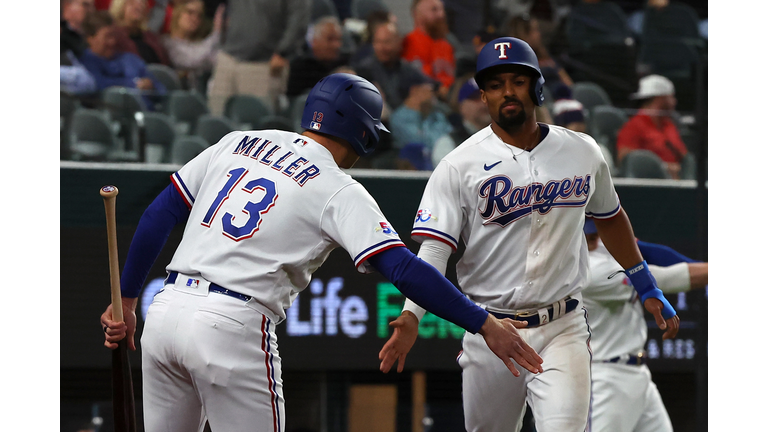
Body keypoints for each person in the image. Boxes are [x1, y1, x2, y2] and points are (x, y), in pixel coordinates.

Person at [100, 73, 545, 432]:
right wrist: (482, 322)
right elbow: (404, 270)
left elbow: (159, 213)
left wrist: (128, 298)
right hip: (230, 326)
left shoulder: (237, 141)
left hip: (166, 310)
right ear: (364, 133)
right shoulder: (338, 186)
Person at [377, 37, 679, 432]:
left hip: (563, 325)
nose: (507, 92)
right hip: (490, 329)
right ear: (483, 95)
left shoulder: (583, 151)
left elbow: (610, 216)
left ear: (536, 86)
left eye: (517, 81)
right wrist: (410, 314)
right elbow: (435, 251)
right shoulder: (458, 165)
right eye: (496, 84)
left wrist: (644, 281)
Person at [582, 218, 707, 432]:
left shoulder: (603, 246)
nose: (595, 238)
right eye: (588, 234)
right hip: (605, 378)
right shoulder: (587, 271)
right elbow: (664, 278)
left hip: (638, 375)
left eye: (596, 232)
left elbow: (651, 252)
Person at [206, 0, 310, 116]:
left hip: (264, 64)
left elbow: (299, 20)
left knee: (257, 125)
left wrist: (283, 53)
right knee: (216, 117)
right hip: (227, 57)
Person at [79, 10, 167, 110]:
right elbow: (98, 85)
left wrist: (151, 86)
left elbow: (161, 90)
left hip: (148, 116)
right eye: (107, 36)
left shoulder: (130, 60)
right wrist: (134, 84)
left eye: (114, 36)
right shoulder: (85, 64)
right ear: (90, 39)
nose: (112, 42)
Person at [615, 74, 689, 179]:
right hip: (652, 185)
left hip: (679, 182)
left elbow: (684, 155)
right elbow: (626, 161)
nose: (674, 102)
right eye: (671, 97)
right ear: (659, 99)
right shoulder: (633, 126)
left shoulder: (669, 125)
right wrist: (664, 168)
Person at [354, 20, 428, 110]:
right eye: (378, 42)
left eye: (387, 42)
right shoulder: (364, 71)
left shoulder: (406, 68)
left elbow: (429, 84)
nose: (382, 48)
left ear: (399, 43)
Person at [162, 0, 225, 91]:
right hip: (178, 95)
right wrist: (216, 32)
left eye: (199, 15)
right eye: (190, 12)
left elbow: (218, 61)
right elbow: (192, 60)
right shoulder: (166, 42)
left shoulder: (199, 44)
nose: (195, 18)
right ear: (178, 12)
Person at [503, 14, 573, 93]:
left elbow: (569, 84)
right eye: (535, 30)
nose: (539, 34)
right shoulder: (513, 63)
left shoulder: (546, 57)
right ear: (524, 34)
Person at [401, 0, 456, 99]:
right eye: (434, 10)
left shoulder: (447, 45)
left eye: (442, 9)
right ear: (417, 15)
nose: (441, 15)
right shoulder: (408, 42)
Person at [389, 72, 454, 154]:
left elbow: (452, 137)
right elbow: (420, 142)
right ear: (415, 90)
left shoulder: (437, 114)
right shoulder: (399, 118)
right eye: (431, 89)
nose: (433, 93)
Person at [285, 16, 349, 98]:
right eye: (330, 39)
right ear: (314, 41)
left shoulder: (345, 63)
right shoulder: (300, 68)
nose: (337, 45)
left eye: (339, 39)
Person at [436, 77, 490, 166]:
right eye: (475, 98)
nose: (483, 103)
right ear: (462, 106)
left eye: (486, 97)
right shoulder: (448, 143)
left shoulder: (507, 138)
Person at [109, 0, 172, 66]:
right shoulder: (114, 37)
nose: (138, 6)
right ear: (120, 7)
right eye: (131, 3)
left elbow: (166, 63)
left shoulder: (150, 36)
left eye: (141, 3)